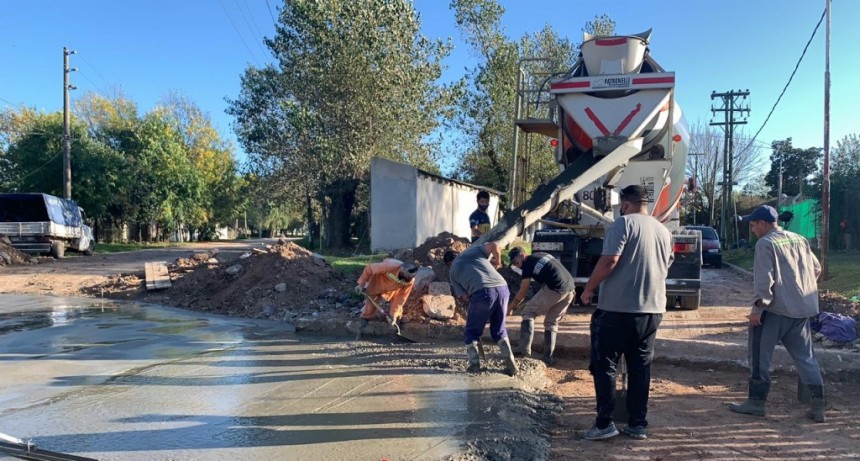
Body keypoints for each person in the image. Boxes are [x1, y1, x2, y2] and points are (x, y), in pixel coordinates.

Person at [580, 184, 674, 441]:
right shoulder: (664, 231)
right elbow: (665, 267)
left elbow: (610, 260)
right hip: (652, 310)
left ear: (624, 204)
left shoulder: (623, 224)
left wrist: (589, 288)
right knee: (640, 367)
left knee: (605, 365)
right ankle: (637, 424)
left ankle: (604, 424)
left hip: (617, 310)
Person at [728, 205, 826, 422]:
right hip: (802, 310)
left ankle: (756, 403)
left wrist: (757, 310)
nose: (752, 230)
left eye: (753, 225)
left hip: (774, 311)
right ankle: (818, 406)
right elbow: (816, 269)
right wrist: (798, 291)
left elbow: (764, 281)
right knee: (806, 357)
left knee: (759, 358)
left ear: (763, 224)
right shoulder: (800, 239)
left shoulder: (765, 244)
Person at [445, 243, 518, 376]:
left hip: (482, 294)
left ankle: (474, 365)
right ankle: (510, 363)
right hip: (503, 289)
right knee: (499, 330)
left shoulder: (452, 272)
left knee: (472, 331)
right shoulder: (471, 252)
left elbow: (465, 296)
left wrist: (476, 307)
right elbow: (495, 245)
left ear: (448, 264)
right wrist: (499, 262)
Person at [507, 246, 576, 365]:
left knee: (528, 311)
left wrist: (511, 307)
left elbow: (523, 291)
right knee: (551, 322)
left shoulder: (528, 265)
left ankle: (523, 350)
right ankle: (548, 358)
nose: (516, 265)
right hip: (570, 290)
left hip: (555, 288)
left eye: (515, 262)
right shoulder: (541, 254)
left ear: (522, 255)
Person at [354, 259, 420, 338]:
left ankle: (395, 334)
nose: (410, 279)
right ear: (403, 270)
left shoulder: (409, 281)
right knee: (369, 309)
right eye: (408, 276)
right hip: (376, 284)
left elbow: (401, 298)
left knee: (397, 311)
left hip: (391, 290)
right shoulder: (389, 267)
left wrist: (393, 315)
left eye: (412, 277)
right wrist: (361, 284)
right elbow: (369, 268)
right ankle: (360, 332)